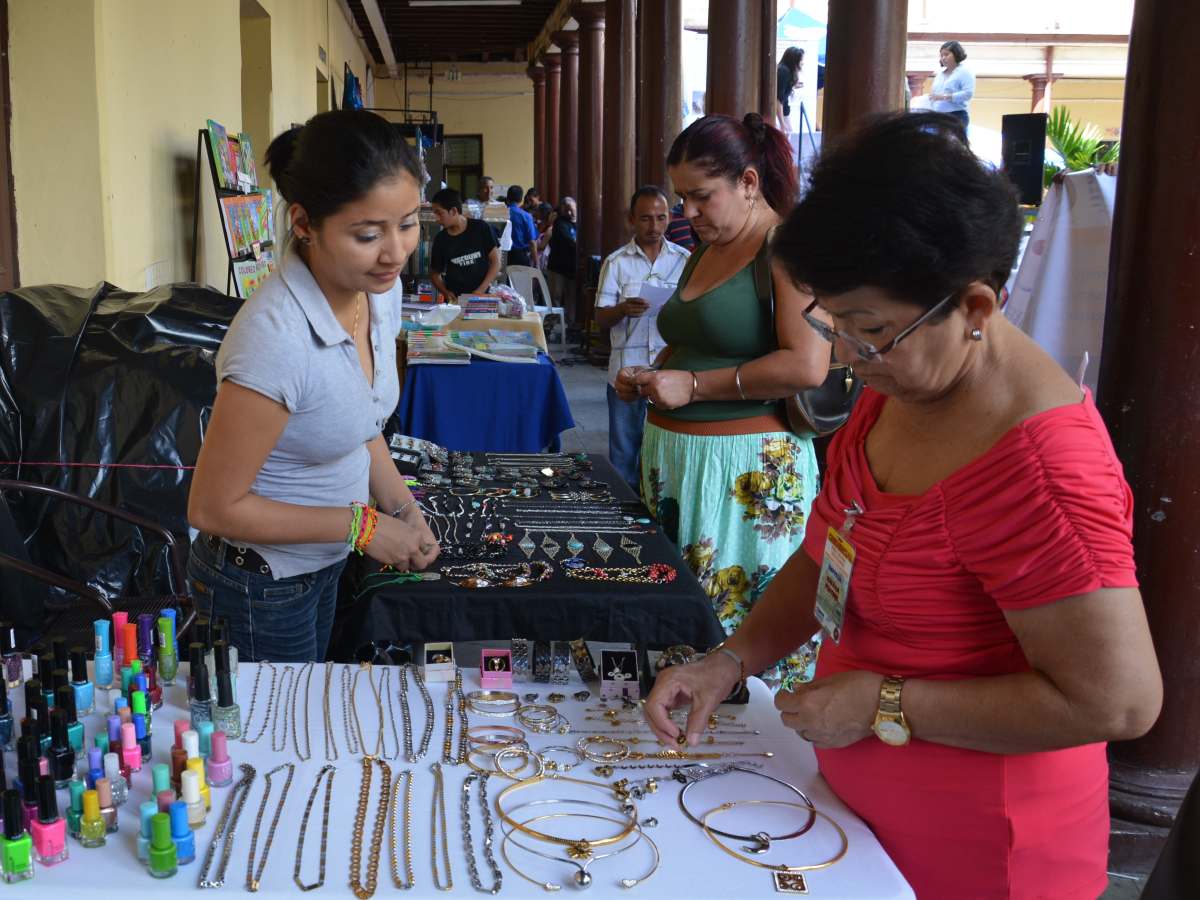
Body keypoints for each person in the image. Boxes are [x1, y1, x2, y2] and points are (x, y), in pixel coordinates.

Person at [644, 113, 1163, 900]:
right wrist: (730, 660)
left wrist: (889, 703)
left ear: (977, 310)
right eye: (834, 324)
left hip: (987, 848)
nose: (847, 357)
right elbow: (823, 555)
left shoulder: (1042, 467)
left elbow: (1117, 701)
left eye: (872, 331)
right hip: (853, 818)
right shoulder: (902, 387)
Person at [186, 109, 440, 663]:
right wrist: (362, 525)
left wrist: (401, 507)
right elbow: (212, 506)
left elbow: (358, 423)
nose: (396, 252)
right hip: (262, 585)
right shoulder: (275, 338)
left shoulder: (378, 291)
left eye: (409, 222)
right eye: (368, 234)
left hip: (326, 562)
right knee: (273, 743)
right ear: (304, 223)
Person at [616, 113, 831, 687]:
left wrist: (695, 386)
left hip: (746, 478)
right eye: (682, 197)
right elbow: (695, 340)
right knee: (680, 633)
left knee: (741, 641)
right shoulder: (707, 247)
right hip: (678, 467)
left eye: (700, 197)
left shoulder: (783, 247)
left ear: (749, 183)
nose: (687, 213)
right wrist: (651, 373)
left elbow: (808, 363)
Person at [595, 186, 691, 488]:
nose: (654, 227)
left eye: (661, 218)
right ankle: (623, 517)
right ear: (631, 220)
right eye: (646, 219)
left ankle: (656, 518)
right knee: (624, 453)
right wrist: (622, 309)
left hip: (669, 370)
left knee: (666, 452)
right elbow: (600, 317)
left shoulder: (684, 260)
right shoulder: (616, 262)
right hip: (626, 370)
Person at [429, 187, 500, 302]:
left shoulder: (481, 228)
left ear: (453, 211)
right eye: (434, 213)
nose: (436, 218)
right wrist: (445, 292)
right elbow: (434, 274)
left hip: (482, 298)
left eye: (439, 213)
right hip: (456, 301)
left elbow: (496, 262)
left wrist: (479, 291)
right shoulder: (440, 239)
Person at [545, 196, 578, 324]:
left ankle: (570, 323)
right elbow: (569, 240)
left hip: (572, 267)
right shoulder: (560, 223)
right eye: (566, 209)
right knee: (555, 296)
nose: (569, 212)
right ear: (562, 210)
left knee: (571, 298)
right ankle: (554, 323)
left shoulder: (578, 223)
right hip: (557, 267)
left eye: (571, 209)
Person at [930, 40, 975, 127]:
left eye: (946, 54)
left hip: (956, 115)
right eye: (941, 55)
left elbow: (968, 94)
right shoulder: (940, 74)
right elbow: (935, 93)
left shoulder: (964, 72)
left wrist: (944, 97)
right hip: (938, 115)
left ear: (956, 54)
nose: (943, 58)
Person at [504, 184, 539, 269]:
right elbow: (532, 242)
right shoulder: (526, 216)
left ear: (508, 197)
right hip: (520, 256)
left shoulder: (500, 214)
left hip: (503, 255)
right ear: (521, 199)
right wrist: (536, 262)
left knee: (505, 281)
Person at [775, 46, 805, 133]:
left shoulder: (785, 70)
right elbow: (778, 99)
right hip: (780, 111)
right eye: (801, 60)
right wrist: (782, 122)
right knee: (786, 133)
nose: (802, 62)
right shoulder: (784, 71)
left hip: (783, 109)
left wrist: (792, 85)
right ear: (794, 61)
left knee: (788, 132)